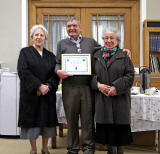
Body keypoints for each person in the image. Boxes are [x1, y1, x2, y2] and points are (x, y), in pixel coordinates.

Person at [91, 28, 134, 154]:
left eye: (112, 38)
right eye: (106, 38)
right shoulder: (96, 55)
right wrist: (98, 85)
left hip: (120, 102)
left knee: (119, 136)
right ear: (103, 39)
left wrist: (116, 87)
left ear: (117, 40)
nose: (109, 41)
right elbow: (90, 75)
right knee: (108, 136)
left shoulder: (124, 55)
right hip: (103, 101)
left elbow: (130, 75)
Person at [17, 24, 59, 154]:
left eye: (41, 35)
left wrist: (48, 86)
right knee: (32, 123)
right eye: (36, 35)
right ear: (32, 37)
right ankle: (33, 148)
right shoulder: (25, 52)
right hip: (31, 94)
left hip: (47, 94)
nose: (39, 37)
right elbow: (23, 71)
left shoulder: (51, 55)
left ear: (45, 37)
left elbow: (55, 74)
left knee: (47, 123)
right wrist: (38, 86)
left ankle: (45, 148)